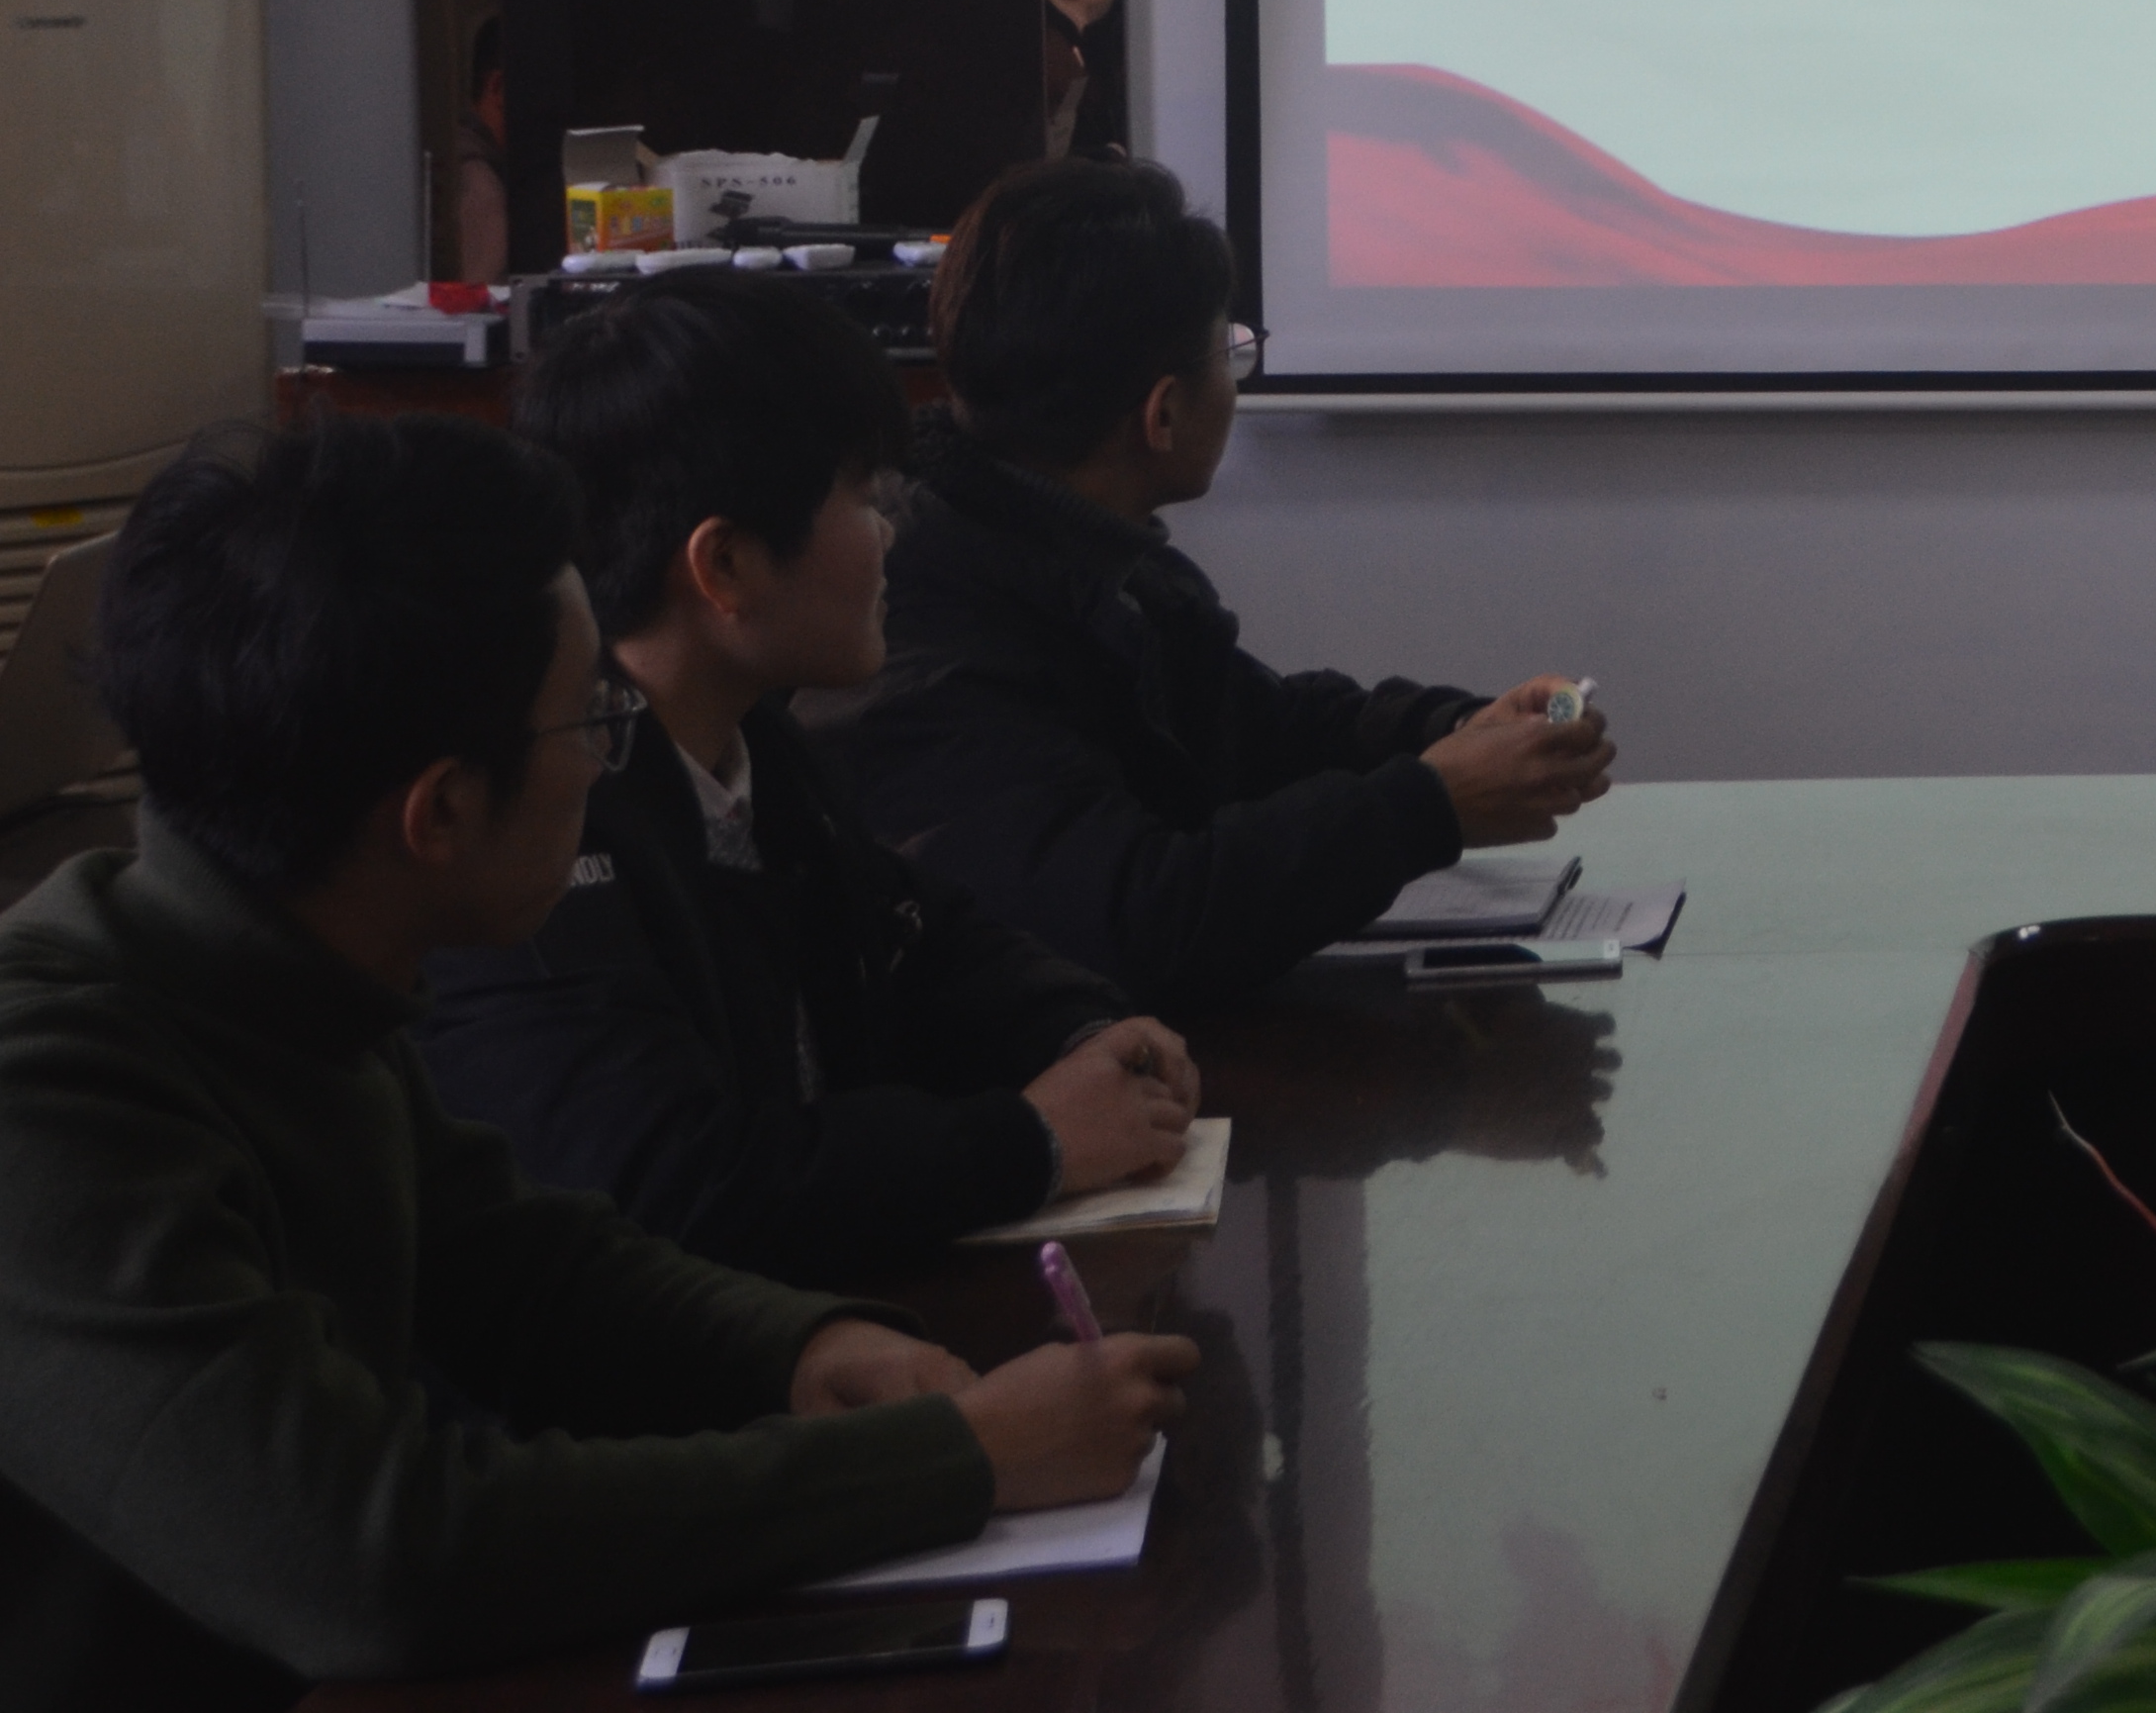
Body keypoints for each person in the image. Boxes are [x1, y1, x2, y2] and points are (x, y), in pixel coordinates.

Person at [0, 419, 1189, 1707]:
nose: (609, 756)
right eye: (593, 717)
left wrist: (799, 1348)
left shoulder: (296, 956)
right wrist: (954, 1461)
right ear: (442, 810)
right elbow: (368, 1556)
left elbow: (520, 1266)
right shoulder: (51, 1091)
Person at [421, 270, 1204, 1278]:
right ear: (725, 567)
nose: (889, 532)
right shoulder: (547, 818)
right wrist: (1032, 1143)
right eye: (865, 497)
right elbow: (674, 1182)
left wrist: (1083, 1032)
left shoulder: (754, 744)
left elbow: (921, 936)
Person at [824, 160, 1612, 1010]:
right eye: (1231, 352)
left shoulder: (1080, 551)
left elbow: (1259, 731)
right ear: (1163, 414)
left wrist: (1453, 732)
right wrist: (1431, 804)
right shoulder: (917, 626)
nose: (1236, 380)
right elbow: (1135, 921)